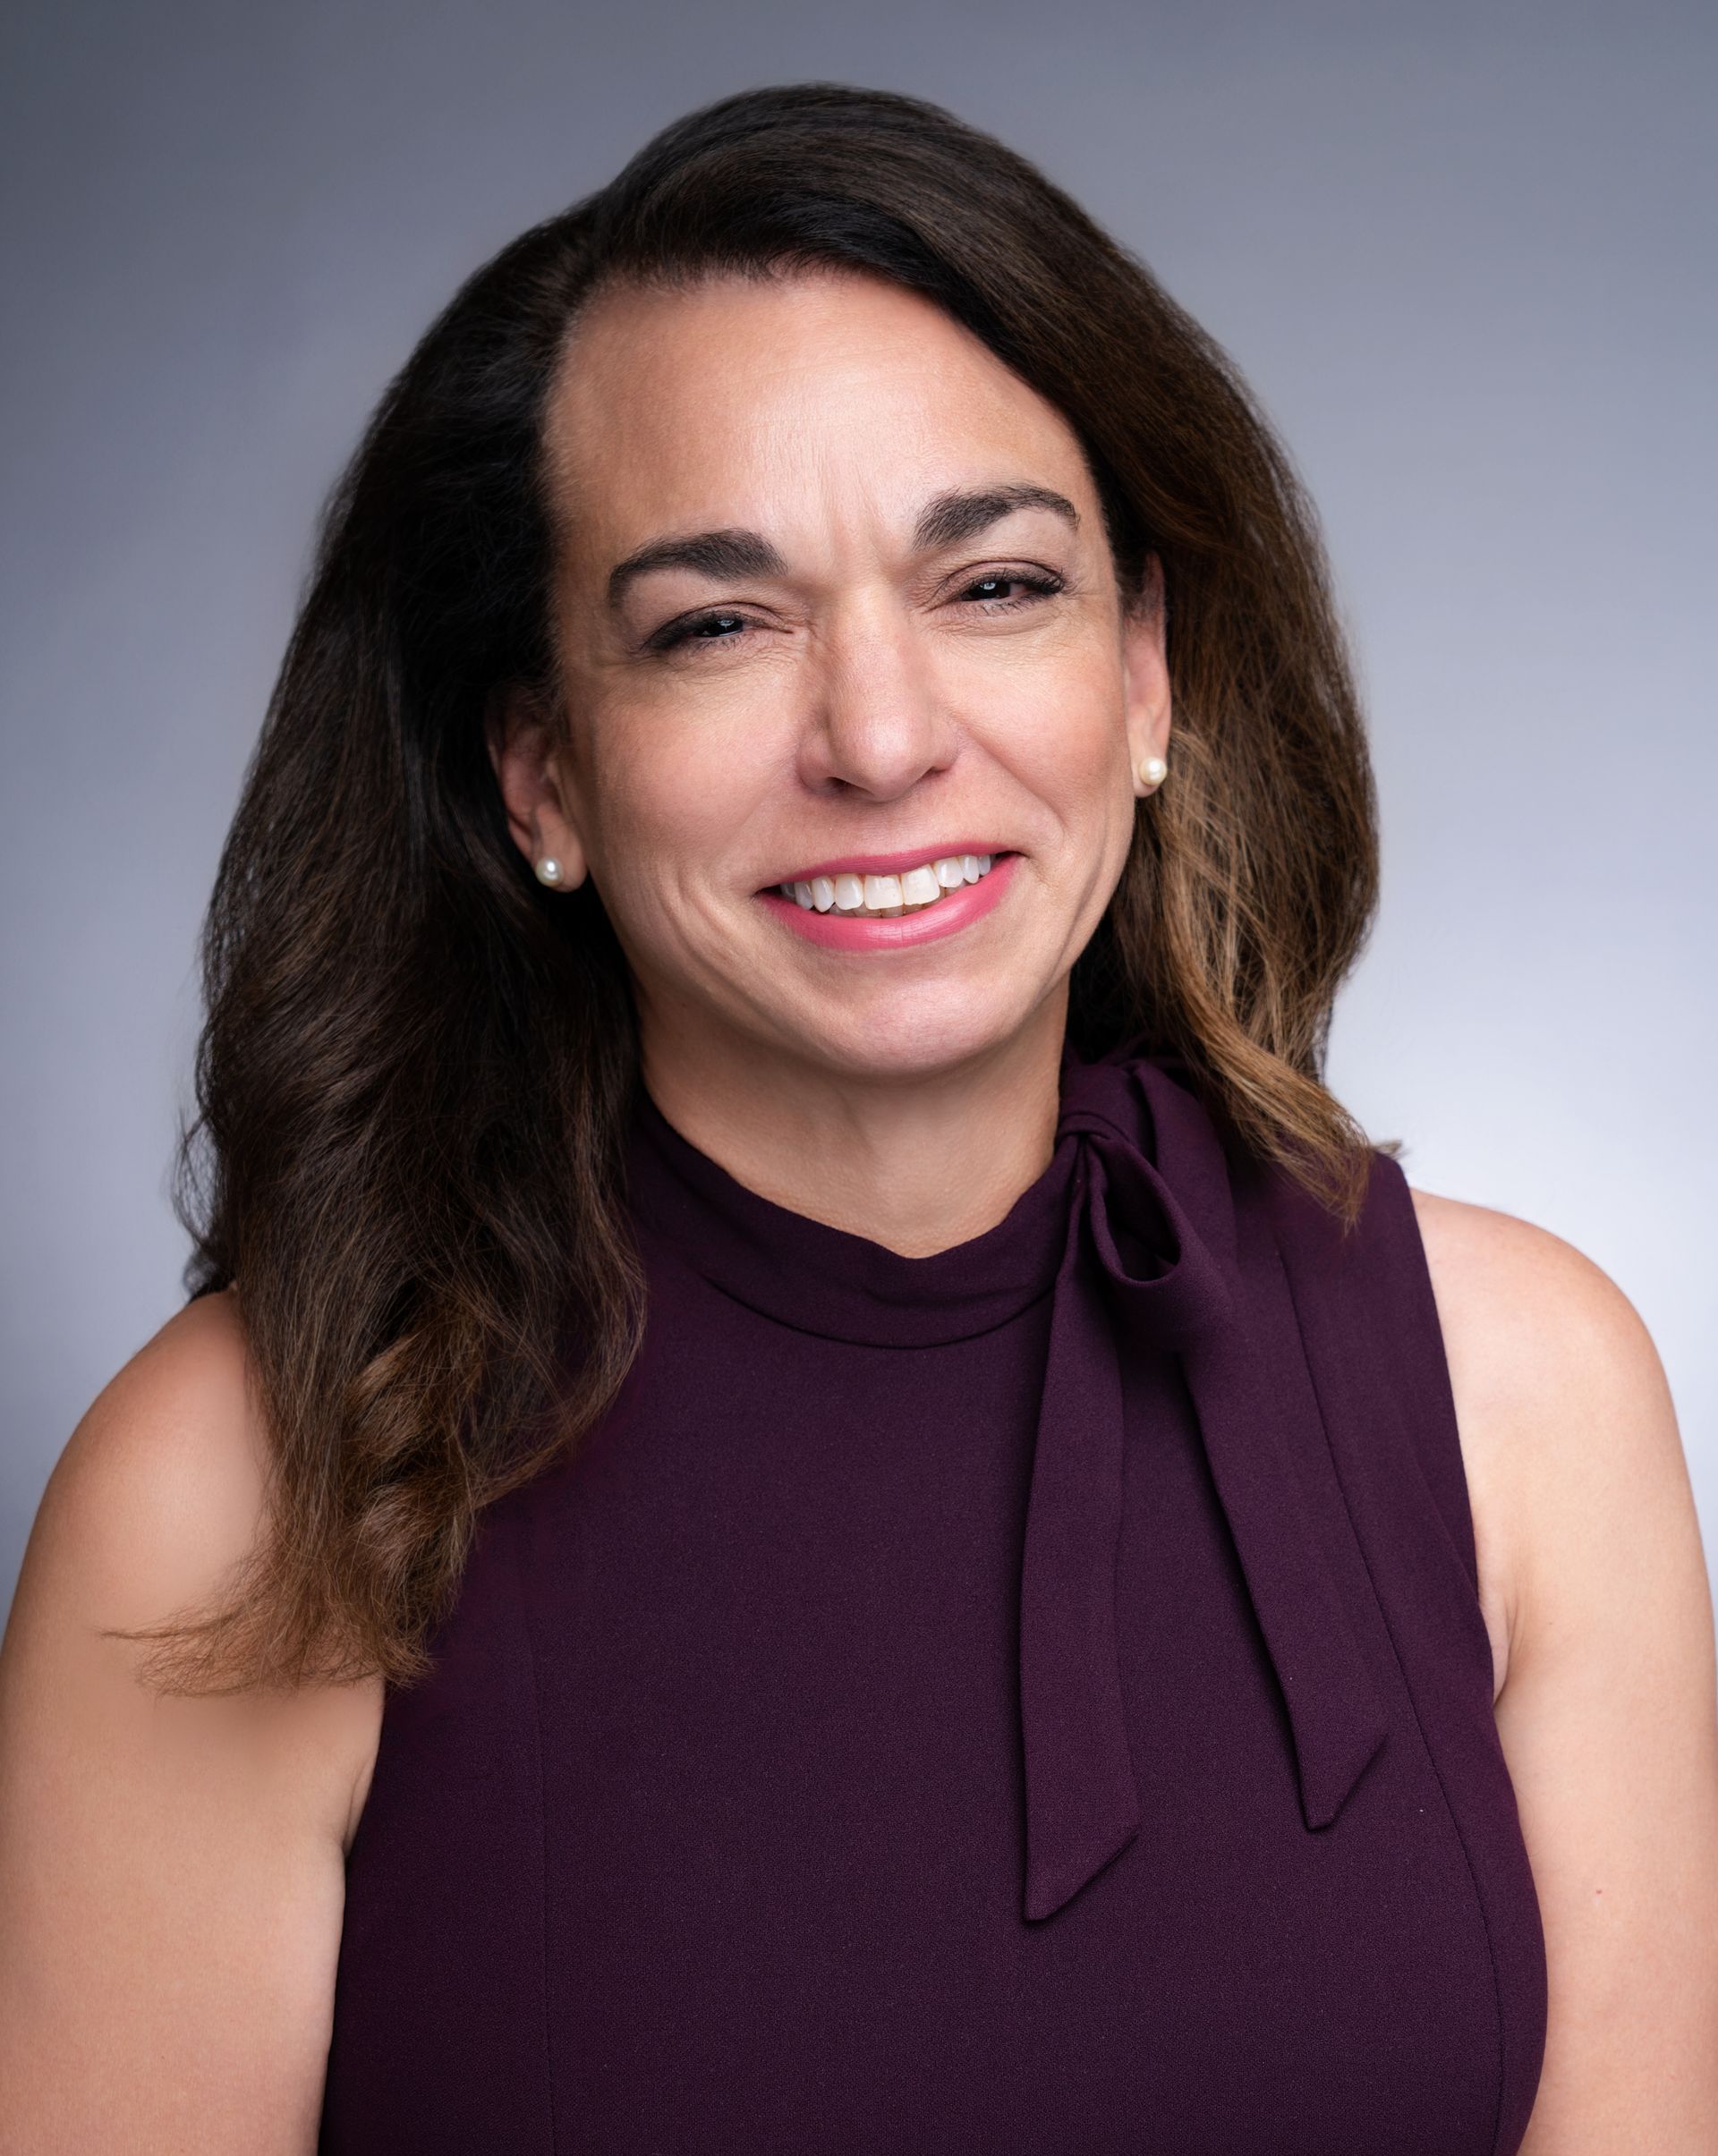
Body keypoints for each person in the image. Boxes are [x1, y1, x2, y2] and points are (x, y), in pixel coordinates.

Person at [2, 80, 1714, 2154]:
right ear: (538, 768)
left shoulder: (1523, 1394)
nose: (885, 737)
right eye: (718, 624)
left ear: (1149, 672)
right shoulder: (238, 1482)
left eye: (994, 583)